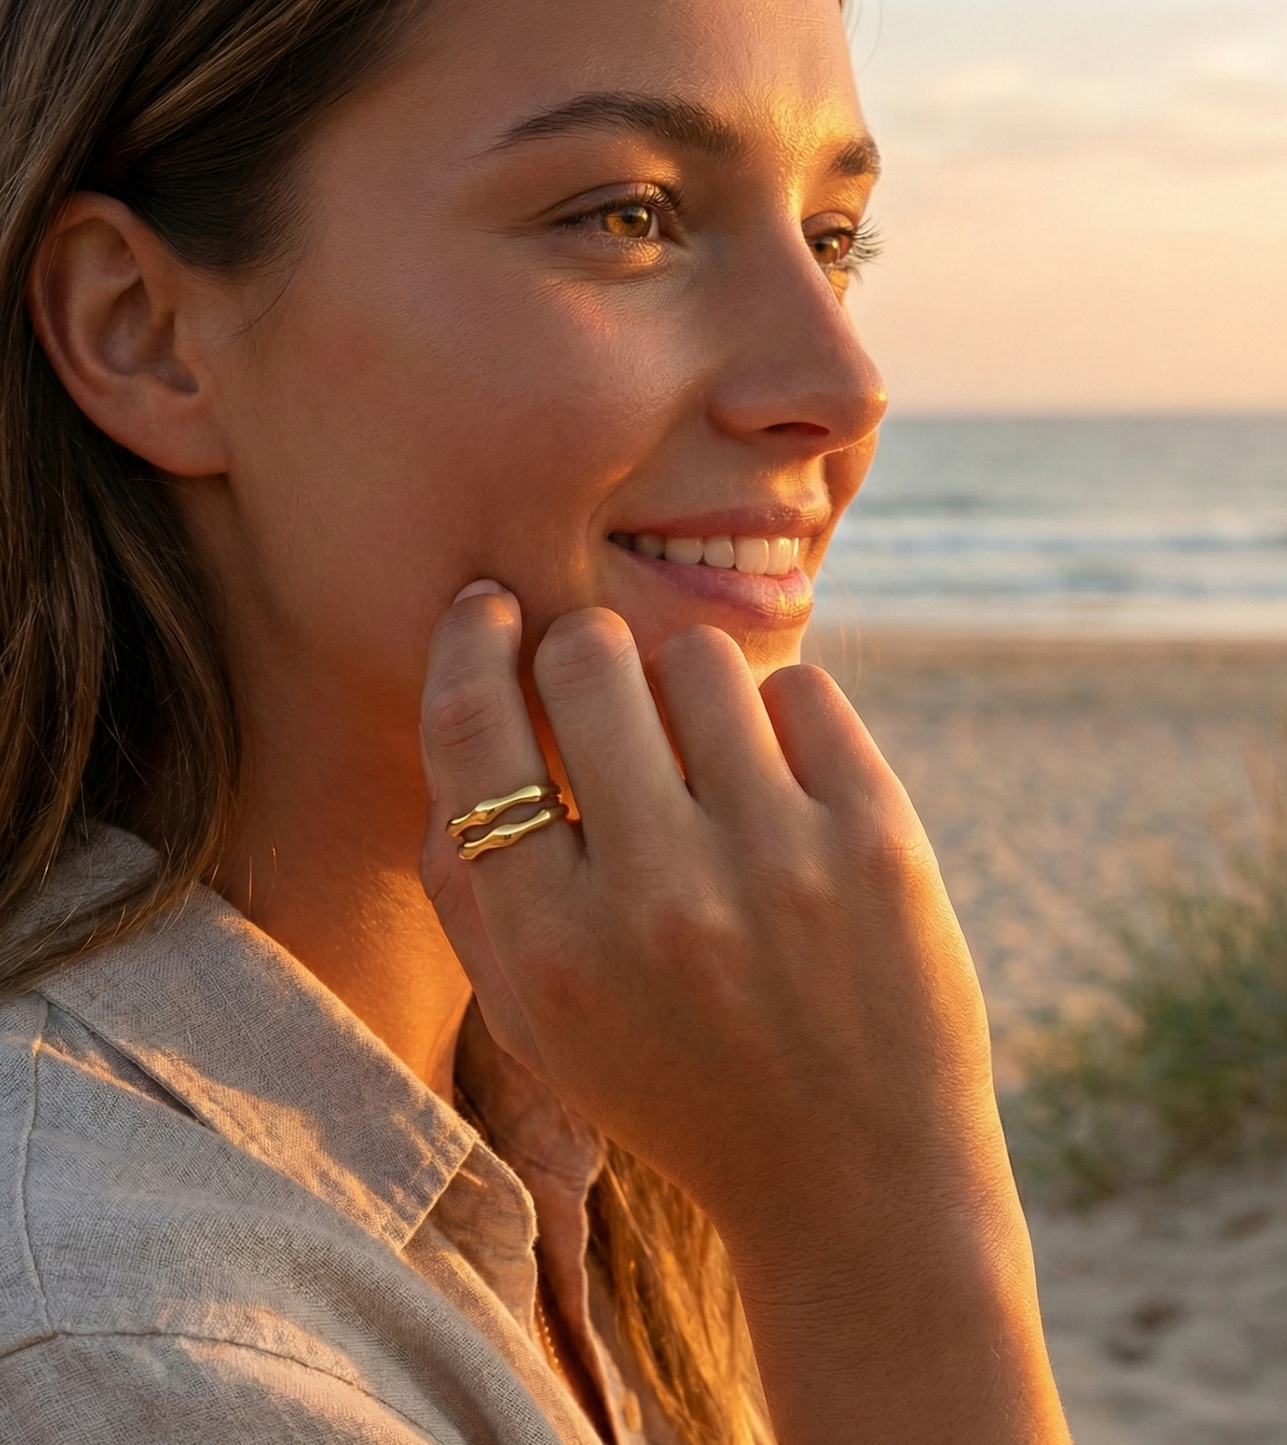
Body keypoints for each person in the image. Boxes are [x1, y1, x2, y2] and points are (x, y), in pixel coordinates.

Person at [0, 0, 1071, 1440]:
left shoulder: (604, 1112)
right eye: (629, 217)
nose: (839, 386)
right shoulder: (136, 1364)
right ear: (142, 333)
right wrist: (886, 1253)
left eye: (832, 240)